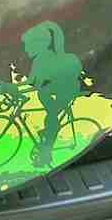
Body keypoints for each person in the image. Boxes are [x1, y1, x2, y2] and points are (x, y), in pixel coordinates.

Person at [18, 21, 84, 166]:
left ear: (40, 45)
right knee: (50, 117)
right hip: (53, 92)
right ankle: (48, 134)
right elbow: (30, 81)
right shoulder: (39, 60)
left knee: (52, 120)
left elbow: (38, 82)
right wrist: (12, 87)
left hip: (65, 91)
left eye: (28, 45)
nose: (26, 49)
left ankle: (46, 155)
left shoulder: (48, 59)